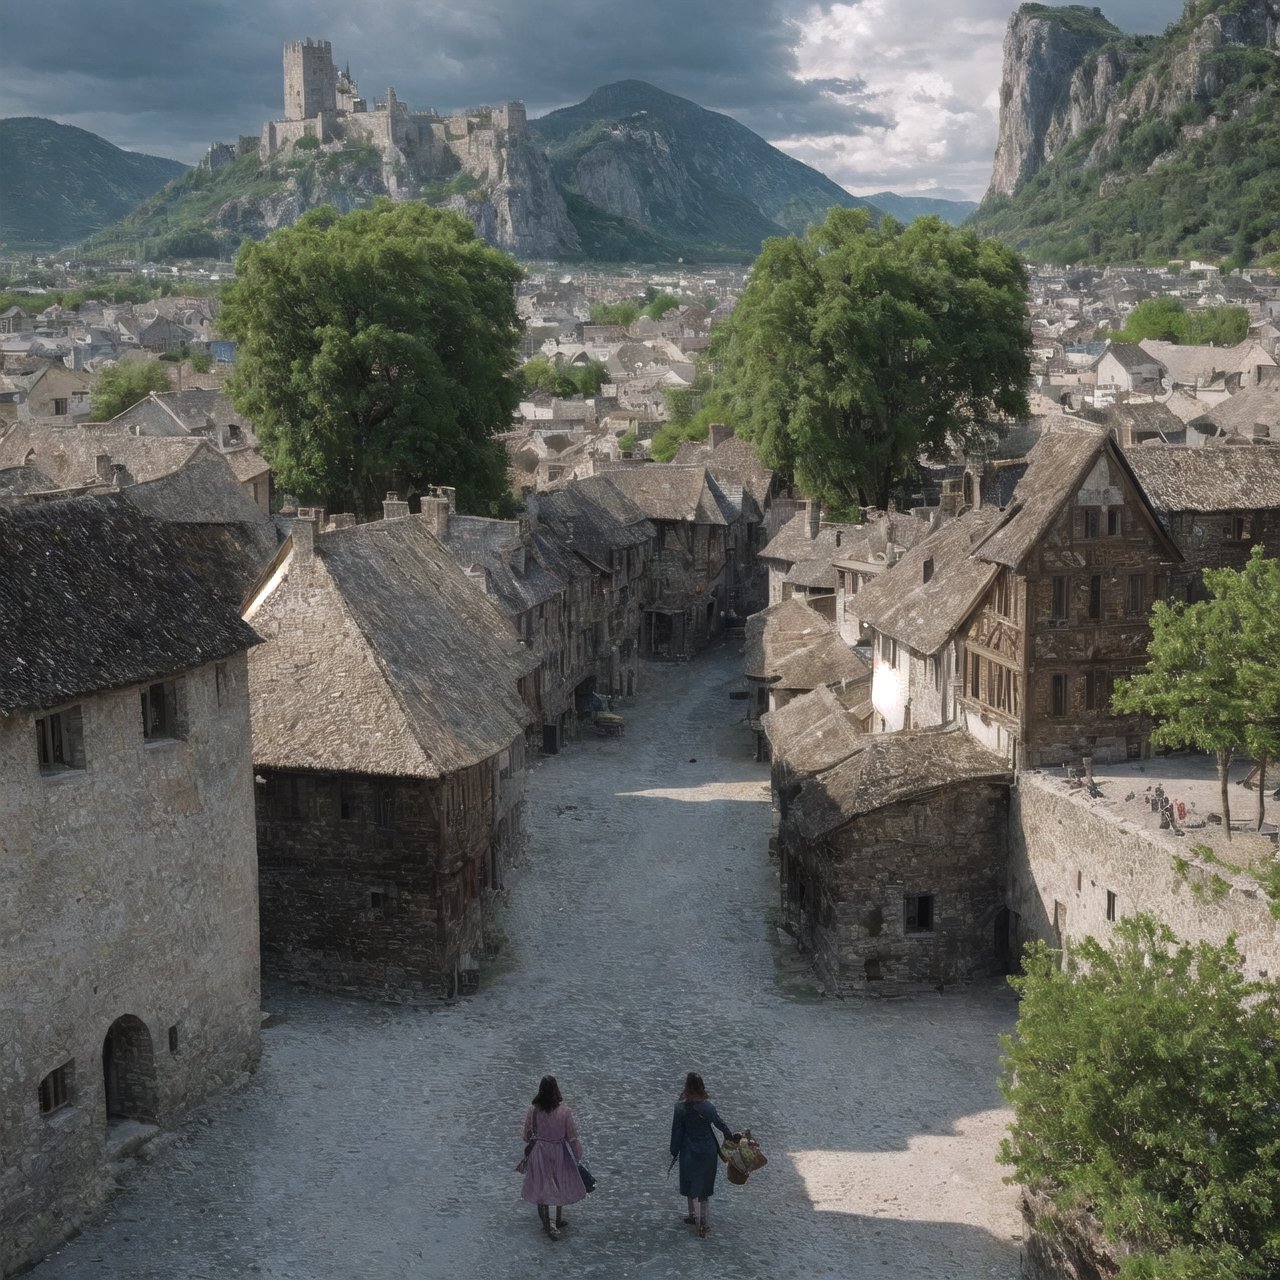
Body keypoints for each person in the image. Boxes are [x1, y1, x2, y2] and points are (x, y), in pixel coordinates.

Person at [670, 1071, 738, 1238]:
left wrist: (674, 1150)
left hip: (689, 1150)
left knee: (691, 1182)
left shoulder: (680, 1109)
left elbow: (677, 1132)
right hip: (708, 1150)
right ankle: (703, 1221)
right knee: (703, 1186)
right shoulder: (708, 1107)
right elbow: (719, 1123)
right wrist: (730, 1136)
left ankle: (694, 1216)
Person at [521, 1075, 588, 1239]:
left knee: (541, 1188)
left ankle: (546, 1224)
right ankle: (557, 1219)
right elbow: (572, 1136)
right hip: (560, 1151)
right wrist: (577, 1155)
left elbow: (526, 1134)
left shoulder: (534, 1110)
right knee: (560, 1183)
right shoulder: (565, 1112)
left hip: (540, 1152)